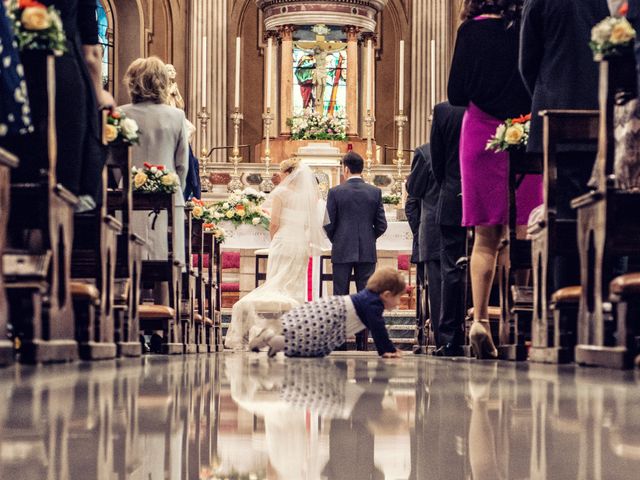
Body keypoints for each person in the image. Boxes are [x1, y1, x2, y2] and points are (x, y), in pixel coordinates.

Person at [448, 0, 541, 358]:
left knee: (486, 237)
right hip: (525, 128)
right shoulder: (522, 26)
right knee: (525, 231)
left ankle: (481, 321)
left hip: (482, 132)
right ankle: (519, 323)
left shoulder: (470, 30)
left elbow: (456, 94)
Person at [519, 0, 609, 290]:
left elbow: (526, 61)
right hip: (600, 117)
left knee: (562, 218)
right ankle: (599, 299)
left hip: (556, 120)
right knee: (602, 212)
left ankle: (564, 307)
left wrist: (546, 96)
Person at [224, 159, 326, 350]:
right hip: (300, 243)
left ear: (288, 174)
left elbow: (274, 223)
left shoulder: (280, 193)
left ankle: (266, 332)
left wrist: (274, 240)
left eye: (281, 173)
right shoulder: (309, 197)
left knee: (275, 283)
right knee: (294, 288)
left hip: (283, 241)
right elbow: (308, 225)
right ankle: (292, 335)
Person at [120, 57, 189, 270]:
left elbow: (114, 160)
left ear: (133, 81)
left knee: (130, 262)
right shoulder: (176, 116)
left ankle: (131, 302)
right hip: (168, 195)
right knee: (167, 261)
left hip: (128, 195)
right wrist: (177, 190)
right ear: (162, 82)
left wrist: (124, 182)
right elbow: (182, 164)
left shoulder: (121, 114)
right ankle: (166, 302)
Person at [248, 267, 404, 359]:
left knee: (314, 346)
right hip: (333, 317)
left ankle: (277, 342)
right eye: (399, 297)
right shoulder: (373, 304)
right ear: (387, 294)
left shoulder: (370, 300)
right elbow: (378, 328)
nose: (399, 302)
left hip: (333, 315)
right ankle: (269, 338)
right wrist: (387, 350)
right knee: (312, 342)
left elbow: (377, 327)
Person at [324, 152, 388, 350]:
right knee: (366, 297)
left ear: (345, 169)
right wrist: (369, 239)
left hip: (342, 250)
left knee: (340, 297)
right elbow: (382, 225)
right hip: (367, 252)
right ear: (362, 168)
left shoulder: (335, 192)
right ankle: (363, 343)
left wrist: (338, 239)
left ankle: (340, 342)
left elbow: (327, 223)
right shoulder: (374, 192)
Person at [430, 101, 467, 356]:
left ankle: (450, 338)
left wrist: (450, 187)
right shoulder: (493, 106)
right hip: (489, 193)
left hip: (453, 195)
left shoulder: (444, 111)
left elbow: (438, 162)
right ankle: (487, 326)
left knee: (452, 269)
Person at [405, 144, 442, 352]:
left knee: (435, 284)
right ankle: (431, 331)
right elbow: (412, 204)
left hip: (433, 230)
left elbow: (413, 191)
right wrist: (419, 232)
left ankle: (439, 334)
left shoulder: (426, 153)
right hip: (432, 232)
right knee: (432, 284)